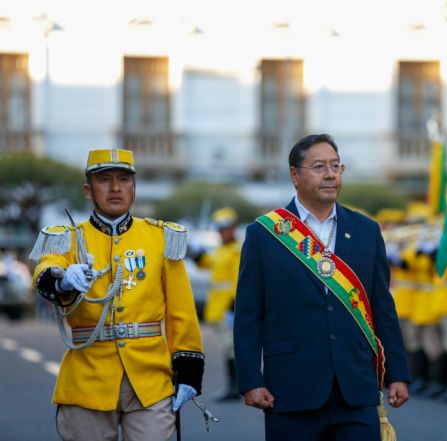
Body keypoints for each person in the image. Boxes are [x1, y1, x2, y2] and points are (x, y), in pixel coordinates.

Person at [233, 134, 410, 441]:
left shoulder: (366, 230)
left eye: (336, 166)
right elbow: (248, 315)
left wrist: (397, 373)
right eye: (319, 167)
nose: (331, 175)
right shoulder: (265, 234)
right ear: (294, 175)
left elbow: (382, 307)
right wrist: (250, 380)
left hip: (356, 389)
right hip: (290, 388)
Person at [29, 149, 204, 441]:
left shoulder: (161, 237)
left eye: (124, 179)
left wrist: (188, 370)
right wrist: (63, 280)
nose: (115, 188)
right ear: (88, 190)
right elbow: (45, 270)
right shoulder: (68, 237)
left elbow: (181, 311)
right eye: (104, 180)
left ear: (134, 187)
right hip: (88, 378)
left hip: (150, 379)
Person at [194, 206, 241, 401]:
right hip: (218, 310)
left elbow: (240, 278)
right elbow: (207, 263)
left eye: (226, 227)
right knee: (227, 349)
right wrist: (196, 255)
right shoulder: (221, 250)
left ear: (233, 227)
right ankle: (233, 386)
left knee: (231, 350)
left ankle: (235, 387)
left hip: (229, 309)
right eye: (220, 228)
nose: (223, 231)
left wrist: (235, 305)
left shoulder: (237, 250)